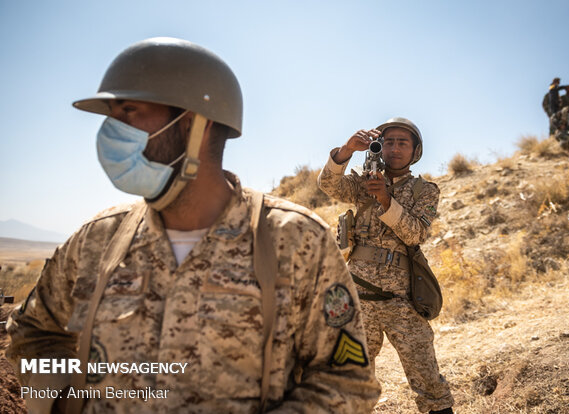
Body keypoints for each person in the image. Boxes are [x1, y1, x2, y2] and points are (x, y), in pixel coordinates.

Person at [7, 37, 380, 413]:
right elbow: (33, 332)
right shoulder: (96, 239)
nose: (111, 129)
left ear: (193, 123)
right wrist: (61, 405)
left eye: (130, 110)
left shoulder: (296, 239)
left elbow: (348, 382)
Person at [317, 117, 454, 414]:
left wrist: (385, 199)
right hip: (358, 300)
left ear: (415, 150)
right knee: (350, 382)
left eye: (402, 143)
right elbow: (327, 184)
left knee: (429, 383)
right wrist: (347, 150)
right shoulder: (361, 183)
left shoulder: (425, 191)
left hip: (403, 303)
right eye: (388, 142)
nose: (394, 148)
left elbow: (415, 233)